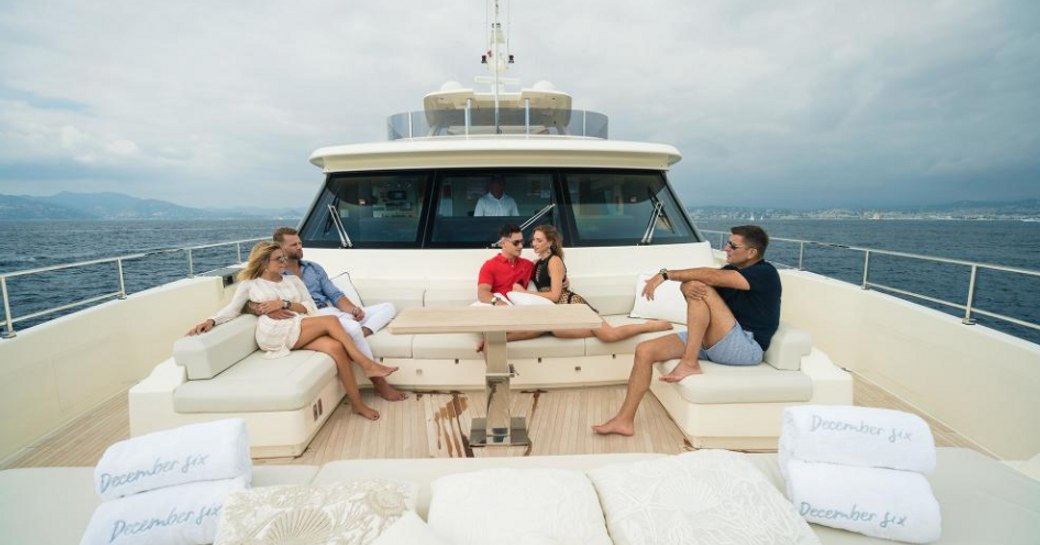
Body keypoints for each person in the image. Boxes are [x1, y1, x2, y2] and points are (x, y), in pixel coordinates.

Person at [593, 225, 781, 436]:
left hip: (745, 347)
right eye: (728, 243)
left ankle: (689, 363)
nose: (726, 248)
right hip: (715, 341)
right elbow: (698, 284)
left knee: (703, 287)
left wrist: (665, 275)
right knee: (644, 350)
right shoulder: (730, 271)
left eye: (732, 245)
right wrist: (685, 287)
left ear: (751, 252)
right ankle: (624, 420)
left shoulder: (766, 273)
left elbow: (709, 279)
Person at [187, 241, 398, 421]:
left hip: (298, 325)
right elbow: (232, 309)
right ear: (263, 263)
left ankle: (357, 404)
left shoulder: (293, 280)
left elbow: (310, 308)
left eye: (283, 258)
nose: (284, 262)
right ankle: (367, 364)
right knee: (332, 320)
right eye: (278, 259)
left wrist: (284, 304)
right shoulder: (250, 285)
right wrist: (211, 321)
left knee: (336, 348)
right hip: (273, 332)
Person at [270, 227, 406, 401]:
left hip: (331, 311)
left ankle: (352, 336)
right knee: (353, 328)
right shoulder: (278, 274)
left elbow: (334, 295)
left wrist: (353, 309)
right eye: (293, 245)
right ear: (280, 248)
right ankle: (379, 383)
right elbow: (256, 292)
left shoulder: (314, 268)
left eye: (300, 243)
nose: (299, 247)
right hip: (313, 316)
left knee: (388, 307)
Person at [527, 224, 673, 341]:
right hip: (562, 310)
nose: (534, 244)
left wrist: (525, 293)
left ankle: (648, 327)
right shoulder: (537, 263)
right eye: (533, 240)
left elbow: (554, 295)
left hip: (573, 306)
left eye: (539, 240)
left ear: (550, 242)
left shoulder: (554, 261)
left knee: (610, 335)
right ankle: (598, 330)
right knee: (559, 332)